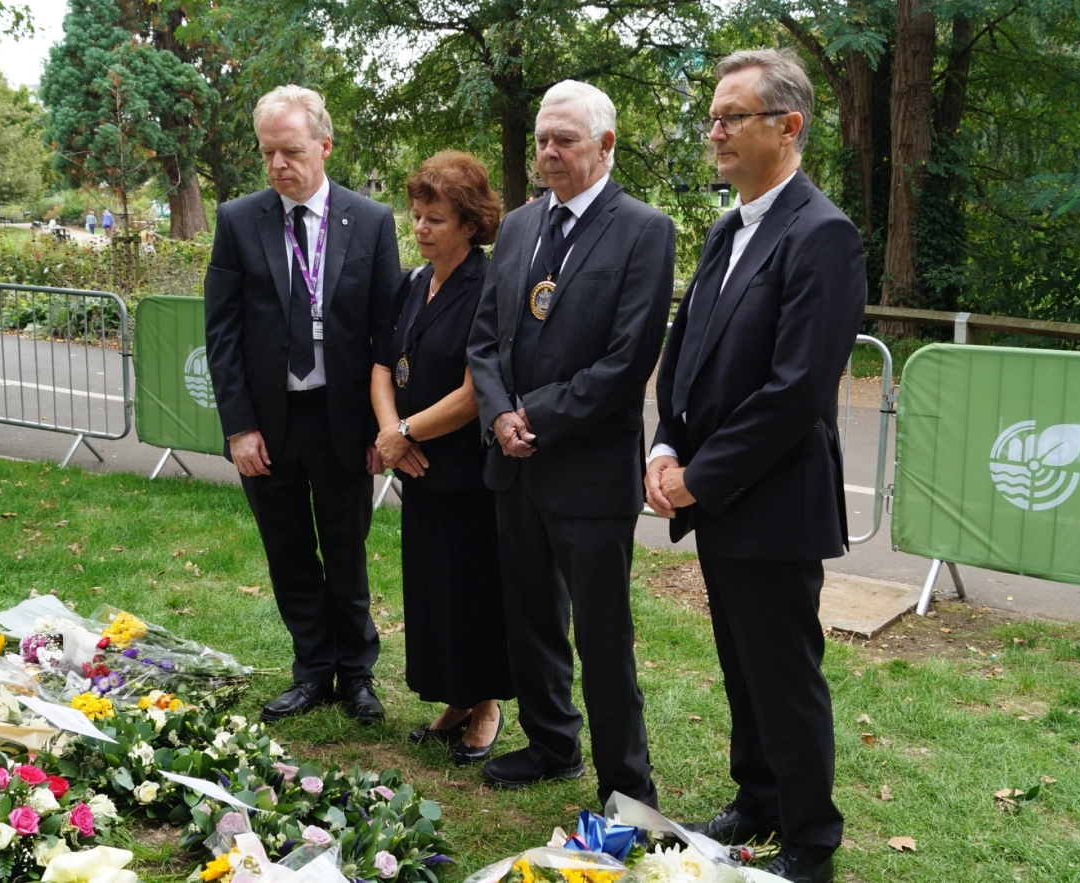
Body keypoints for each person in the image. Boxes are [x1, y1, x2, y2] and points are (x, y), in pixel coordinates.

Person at [645, 49, 866, 883]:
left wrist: (699, 475)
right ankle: (759, 795)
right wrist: (667, 441)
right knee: (741, 657)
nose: (716, 132)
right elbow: (687, 348)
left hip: (773, 499)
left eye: (732, 116)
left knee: (783, 668)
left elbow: (795, 391)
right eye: (713, 117)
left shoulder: (823, 234)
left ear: (789, 125)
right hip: (717, 495)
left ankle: (811, 834)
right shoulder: (727, 227)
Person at [467, 79, 674, 806]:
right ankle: (553, 742)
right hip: (513, 463)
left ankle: (627, 785)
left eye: (564, 141)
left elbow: (626, 360)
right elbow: (485, 339)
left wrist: (537, 416)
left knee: (603, 638)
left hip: (587, 470)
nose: (548, 153)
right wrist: (499, 415)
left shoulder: (645, 230)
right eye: (543, 140)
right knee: (529, 617)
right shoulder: (521, 227)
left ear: (606, 145)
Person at [203, 84, 401, 723]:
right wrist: (239, 428)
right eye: (267, 154)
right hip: (271, 422)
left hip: (343, 420)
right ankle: (312, 669)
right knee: (287, 549)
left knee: (346, 551)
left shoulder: (369, 221)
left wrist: (383, 425)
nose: (278, 165)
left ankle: (357, 674)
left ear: (324, 145)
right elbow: (223, 332)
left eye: (290, 151)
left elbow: (386, 333)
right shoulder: (239, 221)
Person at [371, 152, 511, 764]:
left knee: (473, 586)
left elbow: (475, 390)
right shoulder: (410, 282)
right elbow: (382, 365)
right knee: (432, 588)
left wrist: (404, 432)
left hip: (466, 467)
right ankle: (453, 699)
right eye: (418, 216)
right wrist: (390, 435)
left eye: (435, 220)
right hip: (414, 462)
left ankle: (486, 707)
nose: (421, 228)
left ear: (470, 223)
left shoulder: (488, 288)